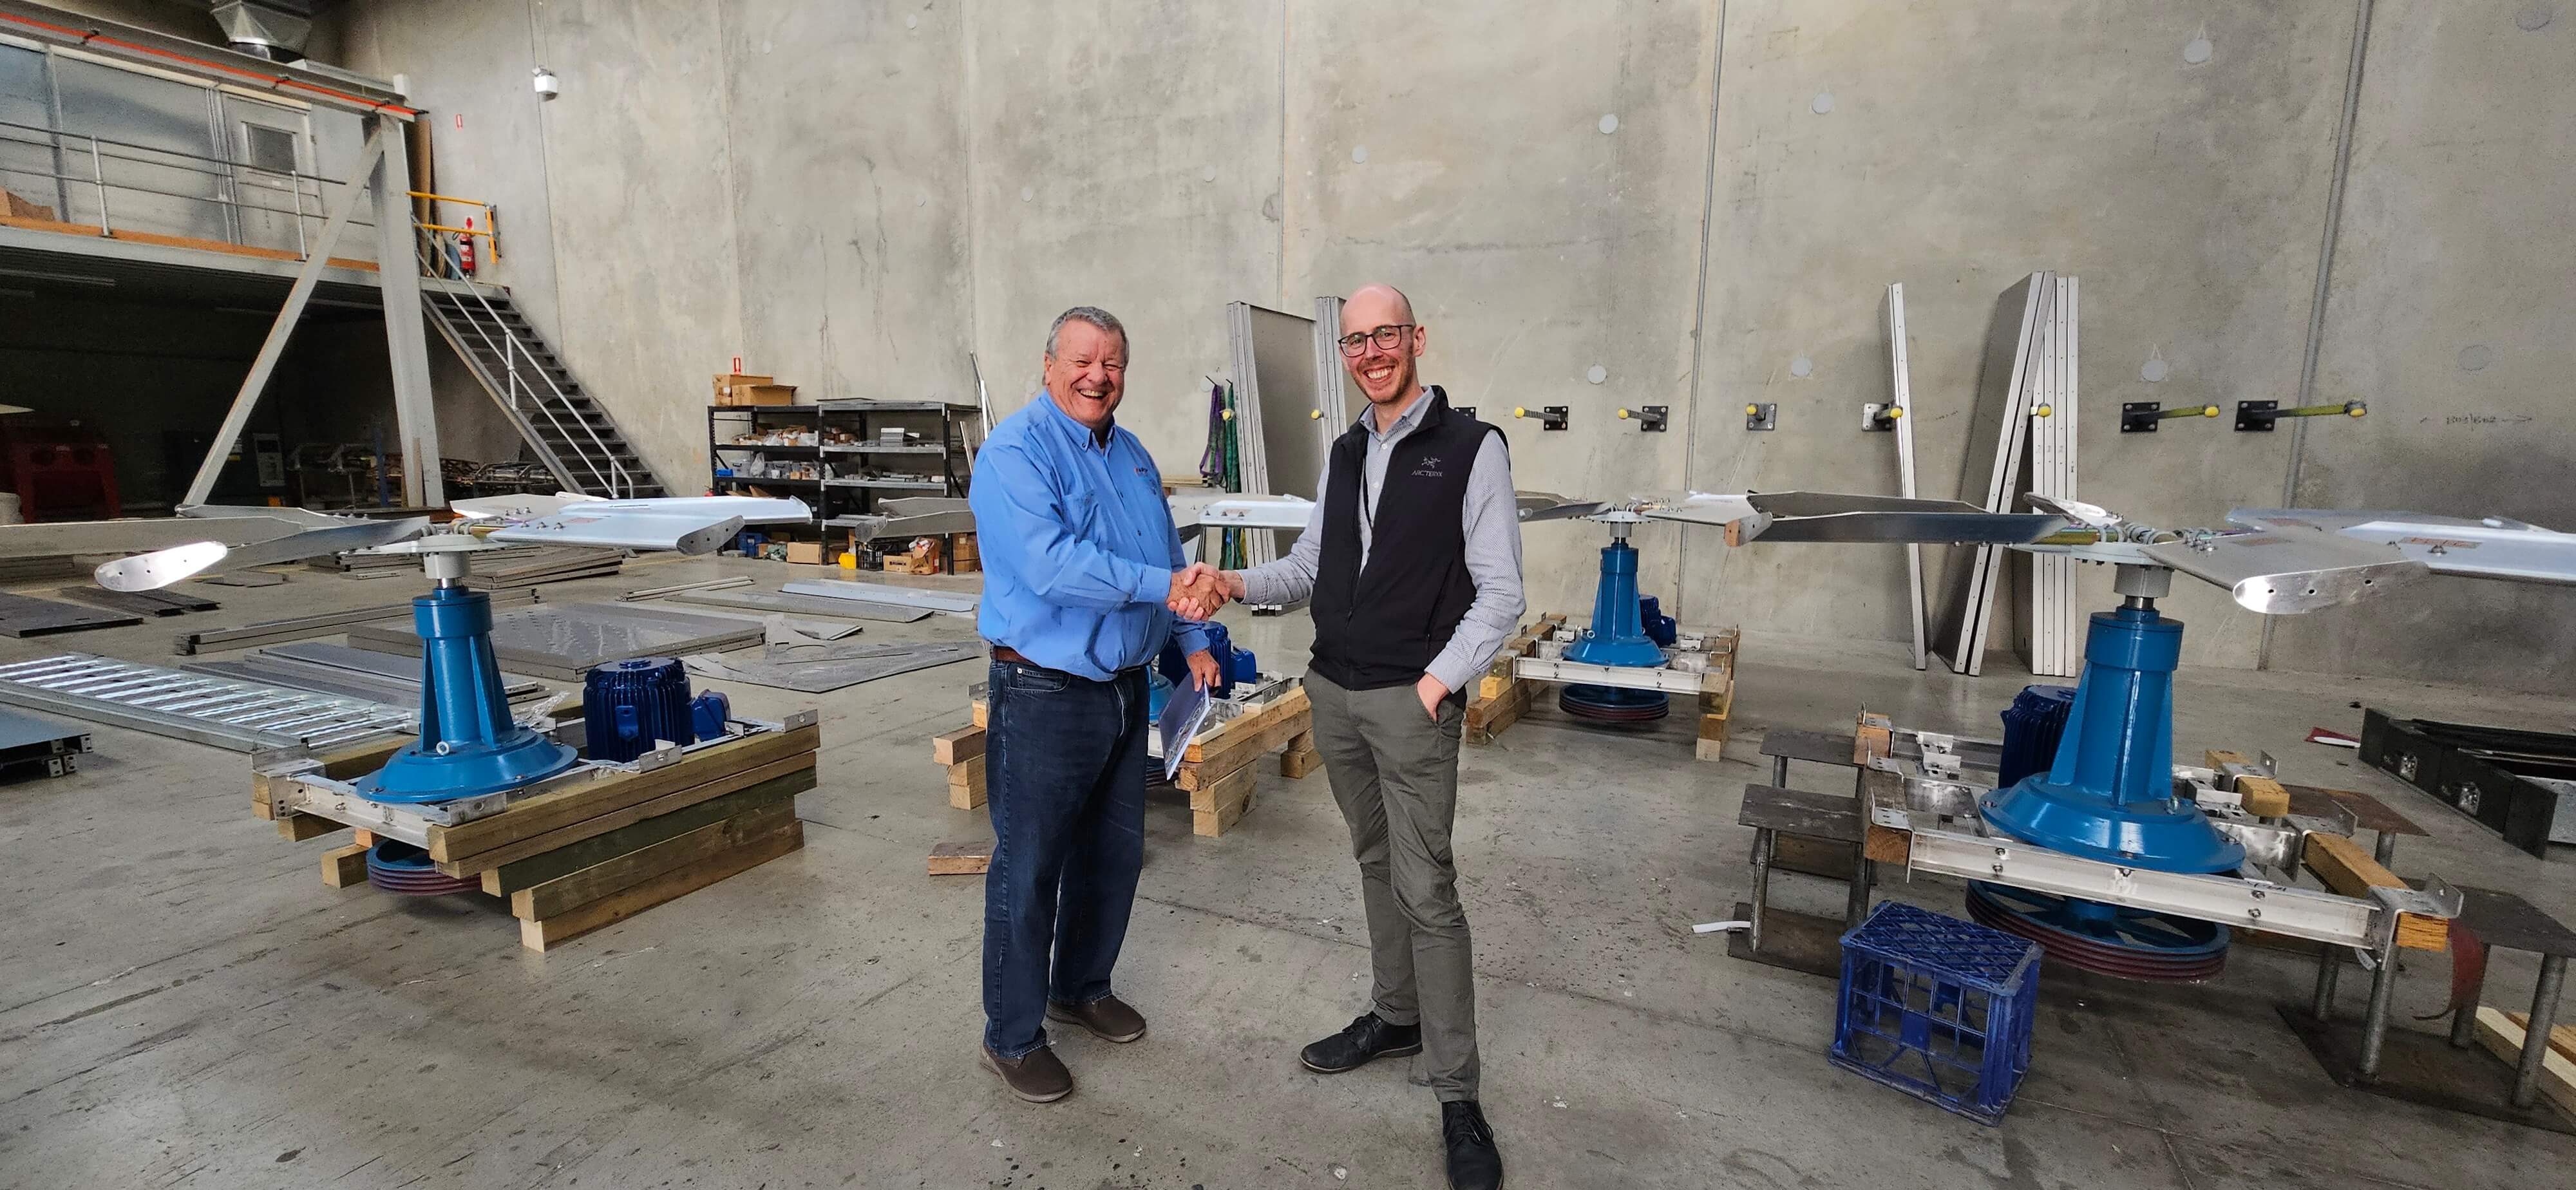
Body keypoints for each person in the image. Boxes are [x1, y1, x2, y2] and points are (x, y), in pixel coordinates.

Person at [1175, 284, 1520, 1190]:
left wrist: (1438, 686)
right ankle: (1394, 1014)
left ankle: (1457, 1092)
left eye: (1387, 335)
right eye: (1357, 340)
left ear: (1418, 337)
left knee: (1429, 889)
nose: (1373, 352)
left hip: (1411, 706)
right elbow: (1306, 570)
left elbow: (1501, 594)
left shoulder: (1472, 449)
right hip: (1335, 692)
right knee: (1375, 864)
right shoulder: (1345, 450)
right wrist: (1230, 586)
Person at [969, 305, 1225, 1104]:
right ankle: (1010, 1037)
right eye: (1081, 360)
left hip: (1123, 690)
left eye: (1111, 363)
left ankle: (1079, 988)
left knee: (1111, 858)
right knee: (1031, 866)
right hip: (1043, 692)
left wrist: (1193, 642)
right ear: (1048, 366)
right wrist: (1166, 589)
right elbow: (1051, 566)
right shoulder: (1017, 451)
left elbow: (1167, 556)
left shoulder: (1134, 454)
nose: (1097, 376)